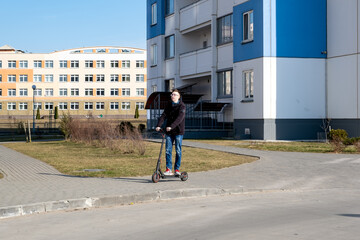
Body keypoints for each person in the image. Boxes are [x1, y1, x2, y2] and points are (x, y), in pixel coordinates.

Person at [156, 89, 186, 176]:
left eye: (175, 94)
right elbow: (164, 115)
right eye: (172, 94)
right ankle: (168, 169)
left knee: (178, 150)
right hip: (169, 131)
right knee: (168, 150)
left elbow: (179, 119)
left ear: (179, 96)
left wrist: (171, 126)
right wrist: (158, 125)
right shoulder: (169, 105)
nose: (173, 96)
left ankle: (177, 169)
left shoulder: (182, 106)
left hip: (178, 131)